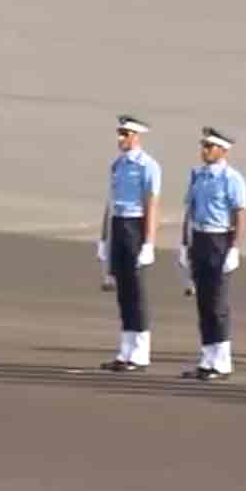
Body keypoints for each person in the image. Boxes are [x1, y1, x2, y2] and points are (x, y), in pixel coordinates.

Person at [179, 126, 246, 380]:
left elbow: (238, 215)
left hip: (219, 238)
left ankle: (222, 362)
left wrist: (234, 249)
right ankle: (207, 359)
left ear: (223, 150)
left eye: (209, 147)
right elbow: (190, 210)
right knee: (203, 302)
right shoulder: (198, 176)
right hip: (199, 238)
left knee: (218, 303)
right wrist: (184, 244)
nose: (204, 151)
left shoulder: (231, 179)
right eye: (203, 146)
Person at [97, 115, 161, 371]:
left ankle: (141, 352)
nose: (120, 138)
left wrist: (149, 242)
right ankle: (126, 350)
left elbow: (152, 206)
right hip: (118, 225)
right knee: (123, 291)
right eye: (119, 133)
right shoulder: (117, 165)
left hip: (136, 225)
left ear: (136, 136)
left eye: (124, 134)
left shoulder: (148, 166)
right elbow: (110, 202)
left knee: (136, 291)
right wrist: (104, 237)